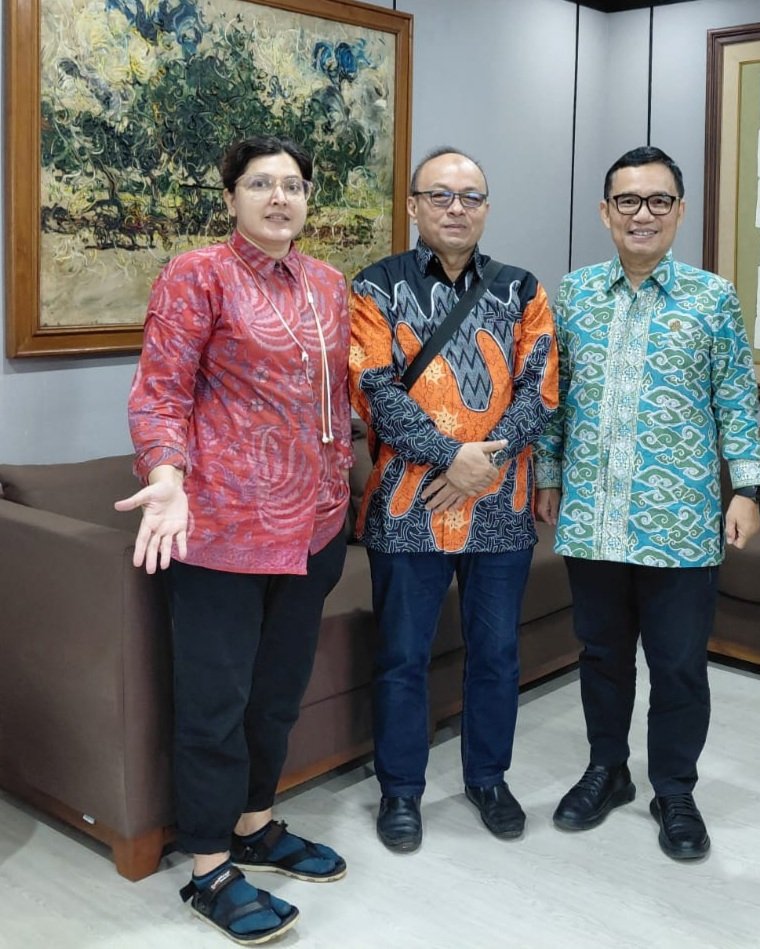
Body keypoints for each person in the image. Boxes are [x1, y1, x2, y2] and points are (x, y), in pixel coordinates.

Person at [117, 135, 352, 946]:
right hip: (223, 528)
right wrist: (167, 474)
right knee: (215, 704)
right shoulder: (197, 275)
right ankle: (209, 865)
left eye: (293, 184)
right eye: (261, 184)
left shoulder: (328, 284)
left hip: (315, 526)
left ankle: (254, 824)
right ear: (231, 198)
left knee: (276, 693)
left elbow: (338, 396)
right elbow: (160, 391)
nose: (280, 197)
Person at [534, 145, 760, 862]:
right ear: (605, 212)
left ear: (680, 211)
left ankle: (674, 789)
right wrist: (547, 472)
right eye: (628, 201)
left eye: (658, 201)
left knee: (678, 665)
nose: (643, 214)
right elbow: (554, 398)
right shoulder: (573, 294)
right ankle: (607, 770)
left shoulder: (711, 297)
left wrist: (748, 489)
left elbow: (736, 400)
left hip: (680, 520)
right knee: (601, 655)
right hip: (593, 516)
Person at [349, 146, 558, 854]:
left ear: (486, 209)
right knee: (401, 657)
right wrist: (450, 458)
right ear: (414, 206)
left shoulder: (521, 288)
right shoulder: (376, 286)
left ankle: (488, 779)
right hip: (407, 507)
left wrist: (482, 464)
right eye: (439, 195)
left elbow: (541, 388)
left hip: (500, 506)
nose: (455, 208)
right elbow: (372, 388)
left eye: (470, 196)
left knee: (496, 654)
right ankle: (400, 790)